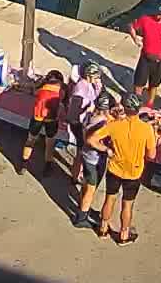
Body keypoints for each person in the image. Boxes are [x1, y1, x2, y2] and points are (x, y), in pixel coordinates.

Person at [87, 94, 161, 244]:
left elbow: (91, 139)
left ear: (125, 109)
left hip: (115, 168)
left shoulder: (114, 125)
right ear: (138, 109)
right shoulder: (146, 129)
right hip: (134, 172)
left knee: (110, 198)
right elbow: (152, 155)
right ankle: (124, 235)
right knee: (127, 204)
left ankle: (103, 228)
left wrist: (106, 149)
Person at [72, 94, 118, 229]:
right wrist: (106, 149)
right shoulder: (102, 122)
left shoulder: (90, 115)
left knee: (86, 185)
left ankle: (83, 208)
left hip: (87, 156)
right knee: (90, 189)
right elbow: (91, 140)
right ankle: (81, 218)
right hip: (95, 159)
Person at [20, 70, 65, 175]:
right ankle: (47, 166)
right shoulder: (61, 90)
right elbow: (64, 101)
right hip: (52, 118)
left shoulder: (42, 87)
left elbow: (34, 91)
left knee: (30, 140)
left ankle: (23, 164)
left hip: (38, 117)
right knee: (50, 142)